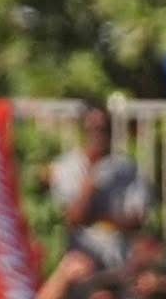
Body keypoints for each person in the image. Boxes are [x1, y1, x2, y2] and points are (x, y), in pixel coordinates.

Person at [49, 105, 152, 270]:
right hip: (82, 261)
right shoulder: (66, 167)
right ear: (83, 130)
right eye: (93, 129)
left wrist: (100, 218)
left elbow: (137, 219)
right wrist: (90, 183)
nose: (98, 135)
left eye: (103, 129)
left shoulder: (127, 167)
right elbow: (73, 218)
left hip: (119, 259)